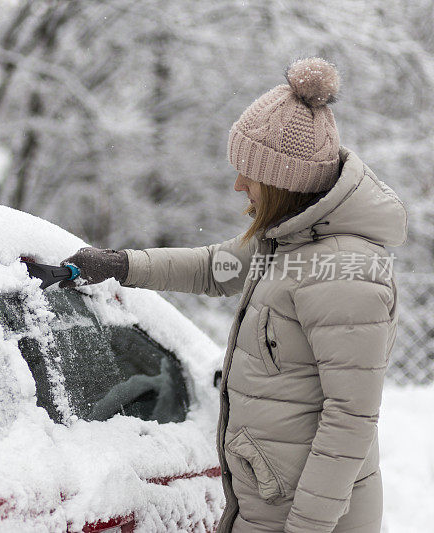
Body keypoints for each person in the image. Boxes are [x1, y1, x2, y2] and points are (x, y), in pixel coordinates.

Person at [60, 57, 408, 533]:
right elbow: (212, 266)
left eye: (250, 173)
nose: (238, 184)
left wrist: (305, 528)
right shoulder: (287, 241)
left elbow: (350, 421)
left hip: (308, 519)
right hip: (267, 502)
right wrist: (121, 265)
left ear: (285, 183)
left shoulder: (343, 272)